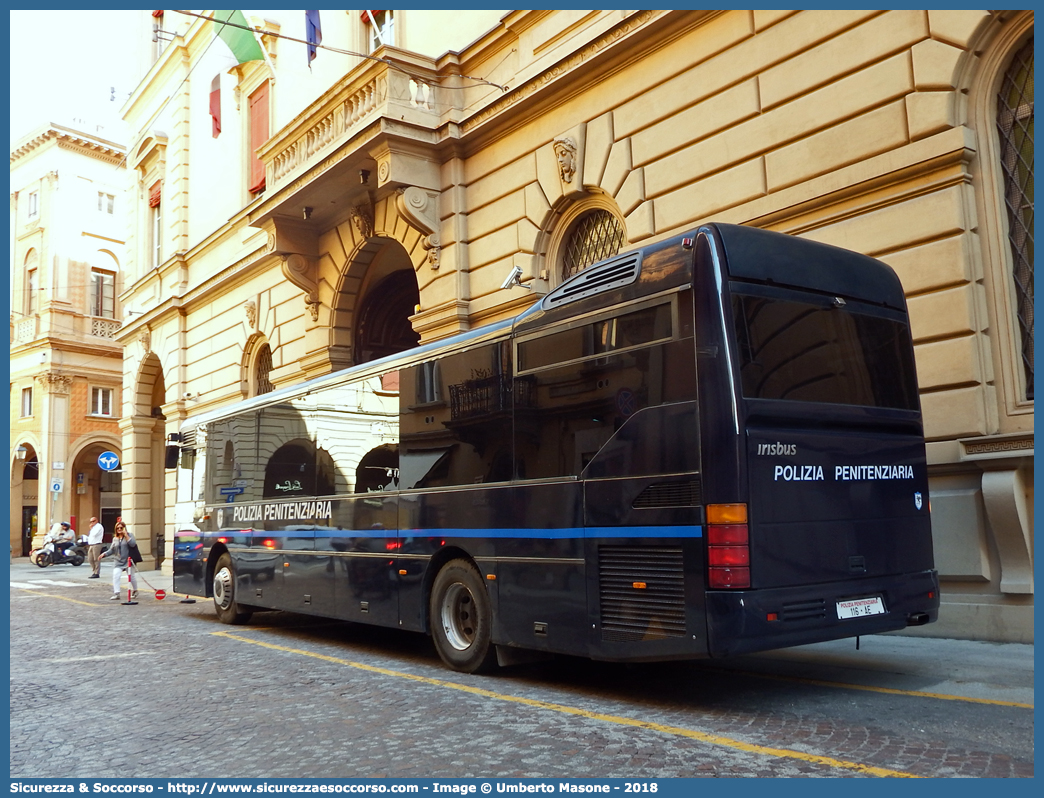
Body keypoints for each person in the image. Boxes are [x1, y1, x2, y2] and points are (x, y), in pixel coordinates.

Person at [98, 522, 138, 600]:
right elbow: (112, 550)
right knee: (116, 576)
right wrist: (104, 554)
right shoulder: (115, 538)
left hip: (128, 560)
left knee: (132, 577)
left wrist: (126, 535)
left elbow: (133, 544)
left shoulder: (130, 535)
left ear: (124, 528)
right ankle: (117, 593)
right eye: (118, 528)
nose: (119, 529)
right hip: (118, 561)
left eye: (121, 528)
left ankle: (135, 590)